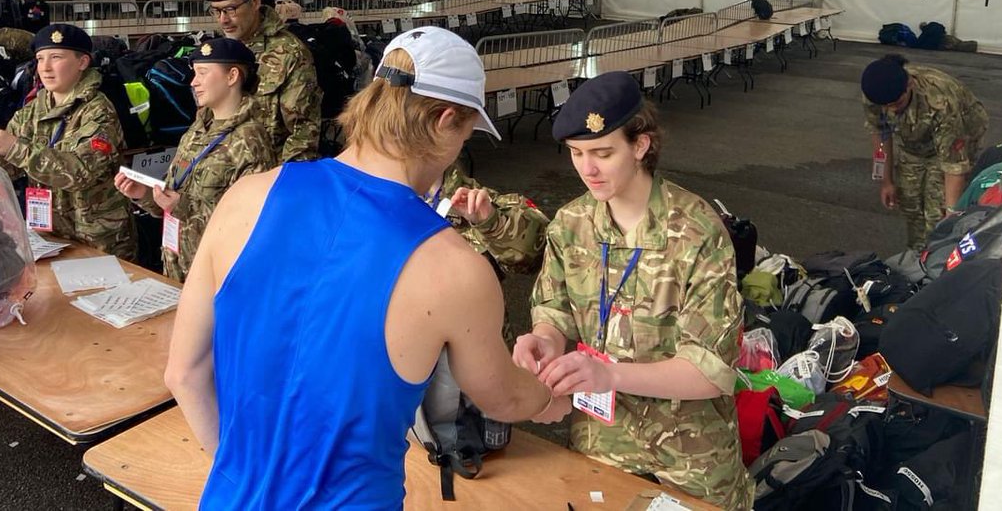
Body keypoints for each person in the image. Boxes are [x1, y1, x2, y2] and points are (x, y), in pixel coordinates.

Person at [165, 27, 568, 510]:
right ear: (444, 120)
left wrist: (240, 472)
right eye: (465, 133)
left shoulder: (247, 195)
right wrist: (549, 400)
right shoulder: (453, 266)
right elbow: (501, 397)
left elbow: (184, 374)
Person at [515, 72, 750, 510]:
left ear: (641, 146)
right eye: (576, 153)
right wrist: (543, 341)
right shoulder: (572, 224)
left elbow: (710, 368)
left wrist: (610, 375)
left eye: (603, 153)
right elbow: (553, 307)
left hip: (690, 461)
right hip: (601, 447)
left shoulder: (697, 231)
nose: (588, 169)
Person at [0, 23, 136, 259]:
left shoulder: (98, 110)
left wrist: (15, 147)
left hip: (97, 238)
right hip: (50, 236)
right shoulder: (34, 109)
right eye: (39, 58)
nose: (45, 68)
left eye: (56, 57)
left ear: (82, 62)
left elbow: (81, 172)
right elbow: (7, 170)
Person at [114, 38, 275, 280]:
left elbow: (249, 222)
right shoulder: (197, 130)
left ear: (232, 77)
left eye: (203, 73)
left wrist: (181, 207)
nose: (193, 82)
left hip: (218, 274)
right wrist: (145, 195)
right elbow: (174, 192)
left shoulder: (250, 140)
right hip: (181, 265)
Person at [861, 54, 990, 249]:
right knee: (910, 202)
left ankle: (938, 256)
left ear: (909, 85)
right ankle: (917, 253)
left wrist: (952, 215)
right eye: (886, 106)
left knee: (937, 212)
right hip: (914, 143)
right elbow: (881, 136)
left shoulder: (940, 101)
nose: (892, 111)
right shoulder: (876, 94)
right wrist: (885, 181)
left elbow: (954, 166)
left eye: (896, 104)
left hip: (958, 136)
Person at [204, 0, 322, 162]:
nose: (223, 20)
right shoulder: (218, 51)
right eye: (216, 11)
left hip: (263, 176)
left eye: (230, 10)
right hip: (219, 172)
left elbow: (303, 135)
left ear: (255, 2)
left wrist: (277, 186)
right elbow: (204, 121)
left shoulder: (289, 53)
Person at [422, 164, 548, 343]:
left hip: (478, 348)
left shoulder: (478, 200)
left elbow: (538, 254)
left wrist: (492, 222)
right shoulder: (375, 205)